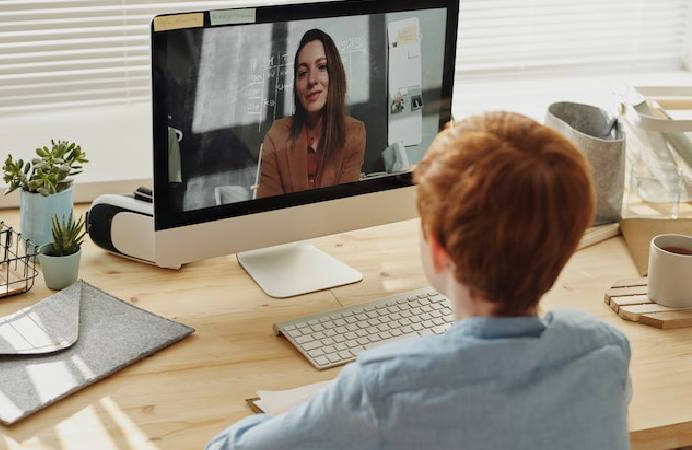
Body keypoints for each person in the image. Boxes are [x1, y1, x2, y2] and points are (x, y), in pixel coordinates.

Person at [206, 111, 632, 450]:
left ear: (439, 248)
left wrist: (322, 412)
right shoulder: (605, 351)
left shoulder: (383, 390)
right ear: (568, 244)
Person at [256, 29, 366, 198]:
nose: (311, 80)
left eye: (322, 67)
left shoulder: (354, 133)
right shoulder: (276, 135)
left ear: (334, 75)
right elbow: (268, 211)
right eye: (302, 73)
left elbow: (344, 207)